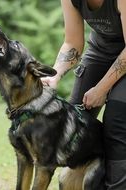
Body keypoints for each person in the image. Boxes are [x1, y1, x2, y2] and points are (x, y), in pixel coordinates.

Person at [41, 0, 126, 189]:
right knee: (73, 124)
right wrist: (55, 75)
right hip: (101, 51)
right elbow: (72, 42)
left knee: (116, 124)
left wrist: (101, 89)